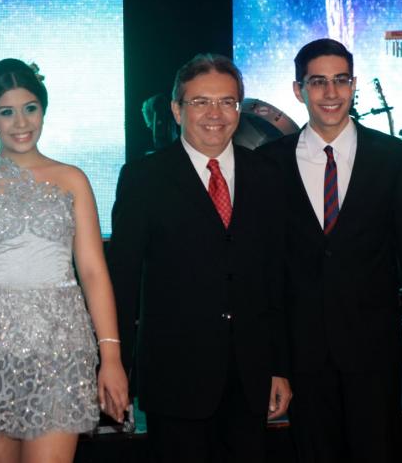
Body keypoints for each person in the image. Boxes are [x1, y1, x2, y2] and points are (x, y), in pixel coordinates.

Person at [0, 58, 129, 463]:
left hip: (60, 343)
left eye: (30, 108)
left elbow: (93, 272)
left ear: (43, 110)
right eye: (6, 112)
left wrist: (111, 357)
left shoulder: (73, 179)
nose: (21, 122)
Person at [256, 38, 402, 462]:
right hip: (302, 354)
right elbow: (266, 271)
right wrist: (274, 363)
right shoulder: (268, 162)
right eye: (318, 81)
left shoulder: (390, 156)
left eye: (341, 80)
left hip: (373, 348)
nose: (331, 92)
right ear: (298, 89)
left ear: (354, 85)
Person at [107, 53, 292, 463]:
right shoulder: (143, 179)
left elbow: (275, 278)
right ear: (177, 110)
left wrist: (279, 366)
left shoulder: (267, 175)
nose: (215, 114)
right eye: (200, 102)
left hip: (251, 376)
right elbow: (122, 280)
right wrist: (114, 364)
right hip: (174, 378)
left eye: (227, 102)